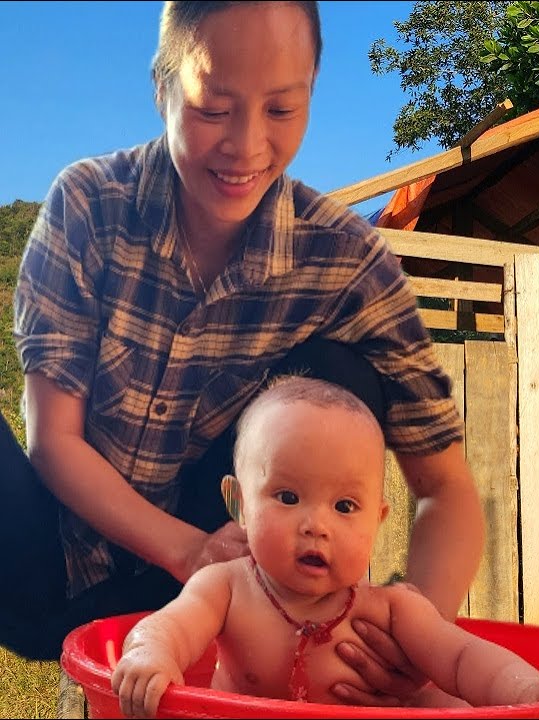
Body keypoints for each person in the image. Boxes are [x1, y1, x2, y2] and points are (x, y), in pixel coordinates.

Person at [3, 2, 483, 704]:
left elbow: (447, 490)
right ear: (164, 87)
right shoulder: (88, 206)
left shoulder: (349, 263)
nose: (247, 145)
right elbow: (53, 440)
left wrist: (409, 643)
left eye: (281, 110)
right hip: (61, 568)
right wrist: (188, 552)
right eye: (214, 107)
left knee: (337, 379)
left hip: (242, 587)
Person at [110, 376, 539, 718]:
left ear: (378, 519)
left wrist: (531, 691)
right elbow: (168, 627)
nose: (316, 525)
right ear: (238, 504)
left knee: (443, 702)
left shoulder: (388, 610)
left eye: (345, 507)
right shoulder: (224, 589)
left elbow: (464, 659)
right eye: (287, 497)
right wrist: (150, 657)